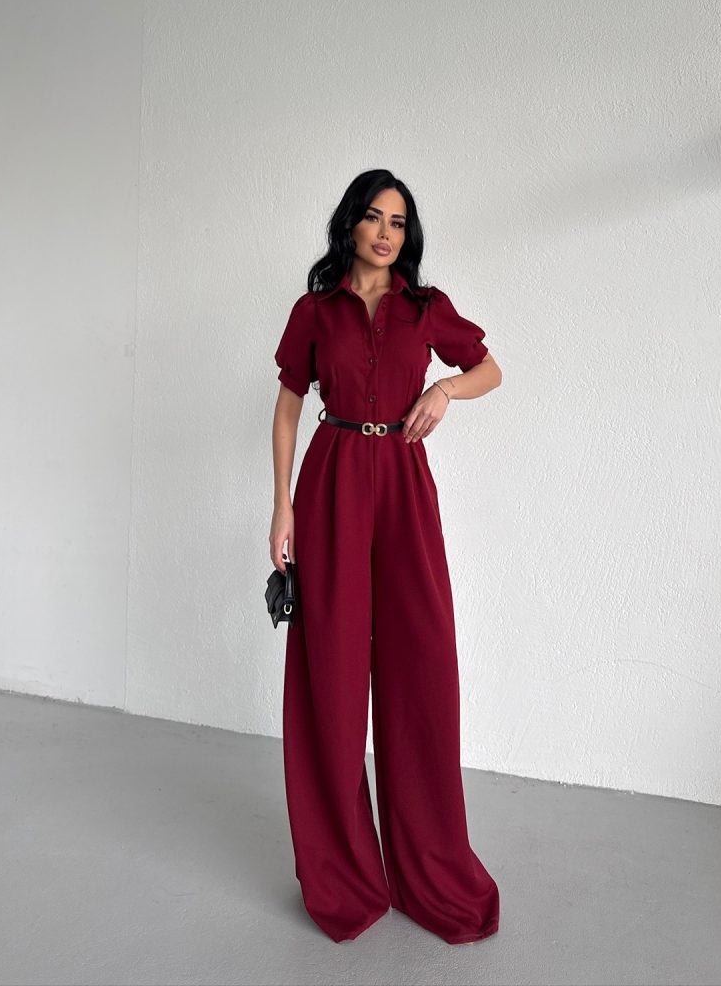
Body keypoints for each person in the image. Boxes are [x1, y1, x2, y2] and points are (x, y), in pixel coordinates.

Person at [269, 168, 502, 945]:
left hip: (403, 486)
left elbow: (488, 367)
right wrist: (281, 506)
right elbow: (289, 401)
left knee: (421, 662)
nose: (385, 232)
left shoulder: (424, 308)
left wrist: (444, 393)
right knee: (330, 674)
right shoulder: (316, 309)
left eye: (398, 222)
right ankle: (343, 872)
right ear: (350, 224)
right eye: (373, 217)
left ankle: (425, 863)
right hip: (332, 481)